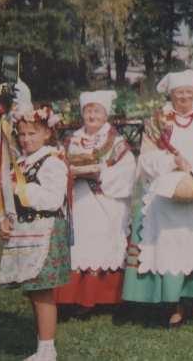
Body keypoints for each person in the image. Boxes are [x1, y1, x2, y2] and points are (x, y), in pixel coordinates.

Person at [122, 69, 193, 328]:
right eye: (179, 93)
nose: (184, 97)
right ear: (171, 95)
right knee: (172, 248)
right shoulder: (158, 121)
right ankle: (175, 306)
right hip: (168, 196)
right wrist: (171, 161)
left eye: (188, 92)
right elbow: (147, 157)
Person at [0, 106, 69, 361]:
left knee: (41, 290)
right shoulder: (22, 163)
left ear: (47, 133)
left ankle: (47, 349)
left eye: (32, 133)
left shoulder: (52, 162)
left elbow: (53, 199)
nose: (26, 139)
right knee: (33, 289)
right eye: (22, 134)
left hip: (46, 231)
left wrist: (22, 189)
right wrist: (3, 219)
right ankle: (43, 343)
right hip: (26, 232)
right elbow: (7, 200)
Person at [54, 91, 136, 312]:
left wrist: (100, 174)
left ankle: (105, 296)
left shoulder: (115, 141)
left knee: (103, 240)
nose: (92, 115)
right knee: (80, 242)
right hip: (79, 199)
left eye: (96, 110)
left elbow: (127, 171)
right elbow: (58, 167)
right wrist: (71, 173)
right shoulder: (72, 139)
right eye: (88, 110)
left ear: (105, 114)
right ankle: (76, 297)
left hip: (105, 199)